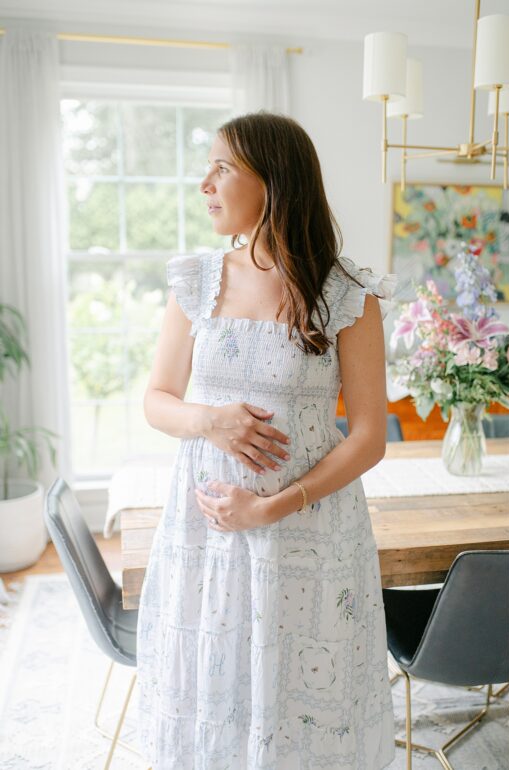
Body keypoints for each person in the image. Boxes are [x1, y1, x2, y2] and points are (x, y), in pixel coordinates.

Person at [137, 112, 396, 768]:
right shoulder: (196, 283)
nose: (205, 184)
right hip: (209, 537)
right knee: (214, 693)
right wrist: (211, 421)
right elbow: (156, 401)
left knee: (302, 704)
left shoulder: (348, 296)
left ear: (273, 181)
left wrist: (271, 507)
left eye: (222, 167)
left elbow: (368, 438)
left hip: (308, 534)